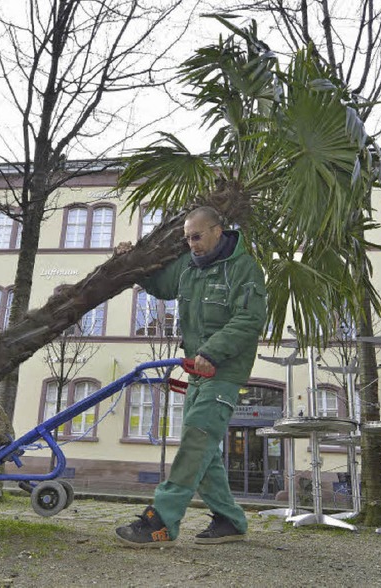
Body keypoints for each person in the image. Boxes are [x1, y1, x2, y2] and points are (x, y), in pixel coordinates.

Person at [115, 206, 267, 548]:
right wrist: (130, 261)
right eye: (187, 239)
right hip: (197, 373)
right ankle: (229, 519)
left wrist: (211, 352)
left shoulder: (244, 270)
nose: (192, 245)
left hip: (223, 372)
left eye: (196, 237)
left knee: (196, 443)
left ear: (217, 230)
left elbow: (249, 320)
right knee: (205, 450)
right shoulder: (189, 268)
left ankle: (162, 521)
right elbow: (158, 285)